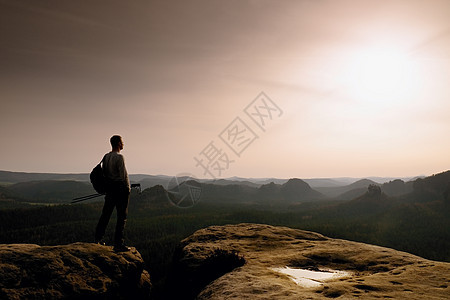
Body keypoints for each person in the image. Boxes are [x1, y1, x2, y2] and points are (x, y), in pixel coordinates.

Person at [95, 135, 131, 252]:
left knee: (105, 215)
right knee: (121, 218)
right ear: (119, 143)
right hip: (121, 191)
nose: (123, 144)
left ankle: (98, 239)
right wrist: (127, 189)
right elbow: (122, 177)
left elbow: (105, 174)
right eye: (122, 142)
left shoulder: (106, 157)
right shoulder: (119, 157)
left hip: (110, 191)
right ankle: (118, 244)